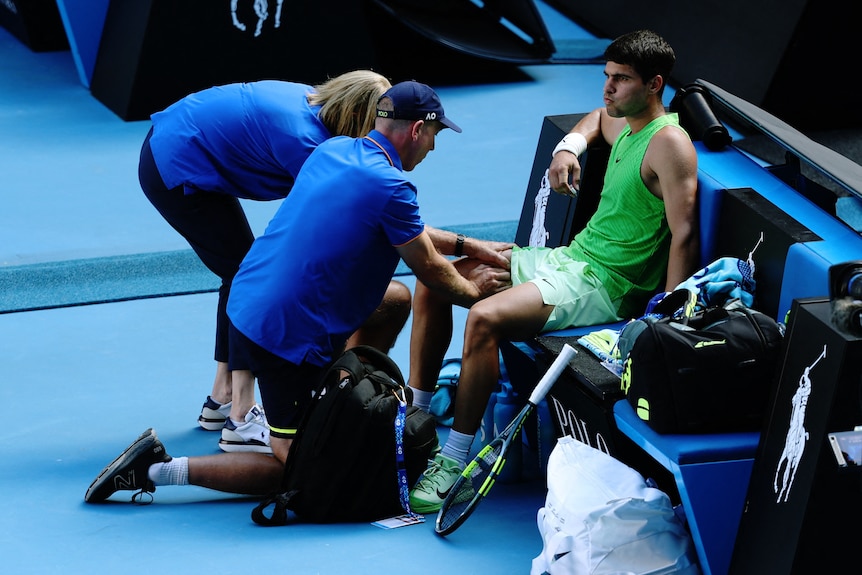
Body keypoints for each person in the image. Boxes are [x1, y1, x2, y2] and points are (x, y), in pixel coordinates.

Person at [84, 80, 513, 504]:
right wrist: (482, 299)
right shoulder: (390, 187)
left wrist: (469, 247)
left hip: (255, 301)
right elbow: (432, 270)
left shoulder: (331, 151)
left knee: (394, 299)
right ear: (417, 130)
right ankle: (158, 469)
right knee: (301, 469)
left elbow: (405, 234)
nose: (433, 149)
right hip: (285, 334)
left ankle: (336, 394)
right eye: (435, 136)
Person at [407, 29, 700, 513]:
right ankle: (417, 417)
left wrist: (663, 322)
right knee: (433, 280)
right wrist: (568, 146)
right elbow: (595, 120)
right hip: (567, 261)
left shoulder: (668, 144)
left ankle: (455, 459)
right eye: (605, 76)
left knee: (484, 319)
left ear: (655, 84)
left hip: (603, 283)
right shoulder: (625, 122)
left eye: (621, 80)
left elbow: (684, 234)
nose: (607, 90)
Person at [138, 70, 394, 453]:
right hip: (174, 162)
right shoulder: (306, 144)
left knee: (240, 268)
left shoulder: (316, 104)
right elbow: (323, 220)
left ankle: (221, 396)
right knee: (247, 275)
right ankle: (240, 416)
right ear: (360, 116)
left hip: (184, 138)